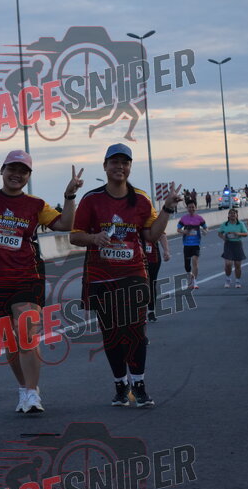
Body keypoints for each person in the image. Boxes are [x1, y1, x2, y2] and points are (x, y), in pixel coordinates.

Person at [0, 148, 84, 414]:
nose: (17, 175)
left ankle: (32, 393)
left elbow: (65, 224)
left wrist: (69, 196)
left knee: (26, 333)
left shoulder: (35, 205)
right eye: (12, 169)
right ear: (2, 171)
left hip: (28, 277)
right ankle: (24, 389)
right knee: (11, 342)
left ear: (28, 176)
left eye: (23, 171)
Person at [70, 143, 181, 408]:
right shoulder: (91, 199)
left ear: (130, 167)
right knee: (111, 334)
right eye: (115, 162)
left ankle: (139, 385)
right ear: (105, 166)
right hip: (101, 276)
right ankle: (120, 385)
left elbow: (151, 235)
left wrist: (167, 209)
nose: (120, 167)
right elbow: (75, 236)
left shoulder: (141, 199)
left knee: (135, 331)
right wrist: (94, 238)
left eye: (125, 162)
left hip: (133, 273)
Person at [177, 200, 207, 289]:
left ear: (196, 208)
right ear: (187, 208)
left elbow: (206, 228)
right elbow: (178, 229)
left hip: (196, 244)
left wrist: (204, 231)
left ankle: (194, 282)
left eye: (193, 207)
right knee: (187, 265)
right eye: (189, 207)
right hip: (186, 244)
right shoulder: (183, 218)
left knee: (194, 260)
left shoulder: (199, 218)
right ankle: (189, 279)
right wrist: (184, 231)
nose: (191, 209)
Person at [143, 232, 171, 322]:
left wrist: (166, 251)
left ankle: (151, 311)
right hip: (135, 258)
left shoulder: (153, 223)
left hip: (152, 257)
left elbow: (162, 235)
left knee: (151, 284)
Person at [218, 208, 248, 288]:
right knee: (228, 264)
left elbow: (246, 234)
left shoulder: (240, 224)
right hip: (228, 244)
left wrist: (238, 234)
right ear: (228, 215)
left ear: (237, 215)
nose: (232, 215)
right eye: (230, 213)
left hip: (237, 244)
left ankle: (238, 281)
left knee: (237, 264)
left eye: (234, 213)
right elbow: (219, 233)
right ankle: (228, 279)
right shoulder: (225, 224)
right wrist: (224, 237)